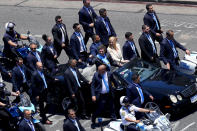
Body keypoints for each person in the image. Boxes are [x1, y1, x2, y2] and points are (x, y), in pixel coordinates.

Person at [91, 64, 118, 129]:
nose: (98, 71)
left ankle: (113, 119)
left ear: (104, 70)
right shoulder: (96, 75)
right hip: (101, 95)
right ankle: (93, 118)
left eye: (99, 70)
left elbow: (113, 81)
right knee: (100, 108)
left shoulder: (109, 74)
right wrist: (93, 95)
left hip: (109, 94)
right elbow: (92, 86)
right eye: (98, 70)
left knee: (112, 107)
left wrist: (116, 87)